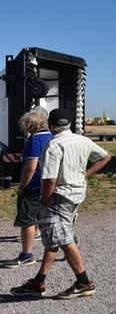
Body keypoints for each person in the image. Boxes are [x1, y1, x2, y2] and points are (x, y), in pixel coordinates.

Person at [11, 108, 111, 299]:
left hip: (59, 196)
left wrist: (43, 201)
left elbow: (49, 179)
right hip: (77, 194)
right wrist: (85, 174)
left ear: (51, 125)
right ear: (70, 124)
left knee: (63, 238)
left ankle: (84, 282)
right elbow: (106, 157)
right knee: (55, 236)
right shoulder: (82, 140)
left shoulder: (53, 145)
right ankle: (39, 281)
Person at [2, 108, 52, 269]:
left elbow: (31, 166)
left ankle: (26, 254)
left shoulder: (35, 140)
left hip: (34, 185)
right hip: (49, 183)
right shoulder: (51, 137)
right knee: (48, 217)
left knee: (27, 220)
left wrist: (22, 186)